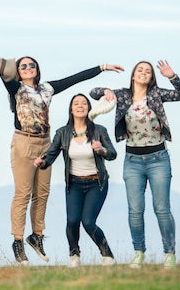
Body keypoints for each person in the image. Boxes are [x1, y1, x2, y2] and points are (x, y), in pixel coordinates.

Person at [0, 57, 123, 265]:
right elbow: (2, 71)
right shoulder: (15, 88)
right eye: (23, 66)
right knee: (23, 193)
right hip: (23, 142)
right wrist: (1, 66)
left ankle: (37, 236)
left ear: (37, 69)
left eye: (32, 65)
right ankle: (18, 241)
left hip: (45, 142)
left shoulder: (47, 89)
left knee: (42, 193)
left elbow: (75, 79)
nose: (28, 68)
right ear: (18, 71)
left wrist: (102, 68)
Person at [90, 60, 180, 269]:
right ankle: (139, 252)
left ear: (151, 78)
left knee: (161, 208)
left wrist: (172, 76)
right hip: (132, 160)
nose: (143, 73)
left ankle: (169, 254)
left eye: (148, 71)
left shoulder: (157, 94)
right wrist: (107, 90)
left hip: (158, 159)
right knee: (135, 210)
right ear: (133, 75)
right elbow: (93, 91)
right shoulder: (122, 95)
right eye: (140, 70)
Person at [34, 94, 117, 267]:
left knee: (88, 222)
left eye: (84, 103)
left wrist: (101, 150)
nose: (80, 106)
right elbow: (49, 156)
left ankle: (107, 254)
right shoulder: (63, 133)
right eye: (76, 103)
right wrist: (42, 162)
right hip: (74, 184)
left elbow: (112, 154)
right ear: (71, 109)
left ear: (89, 108)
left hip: (97, 183)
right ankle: (74, 255)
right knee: (72, 221)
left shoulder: (99, 130)